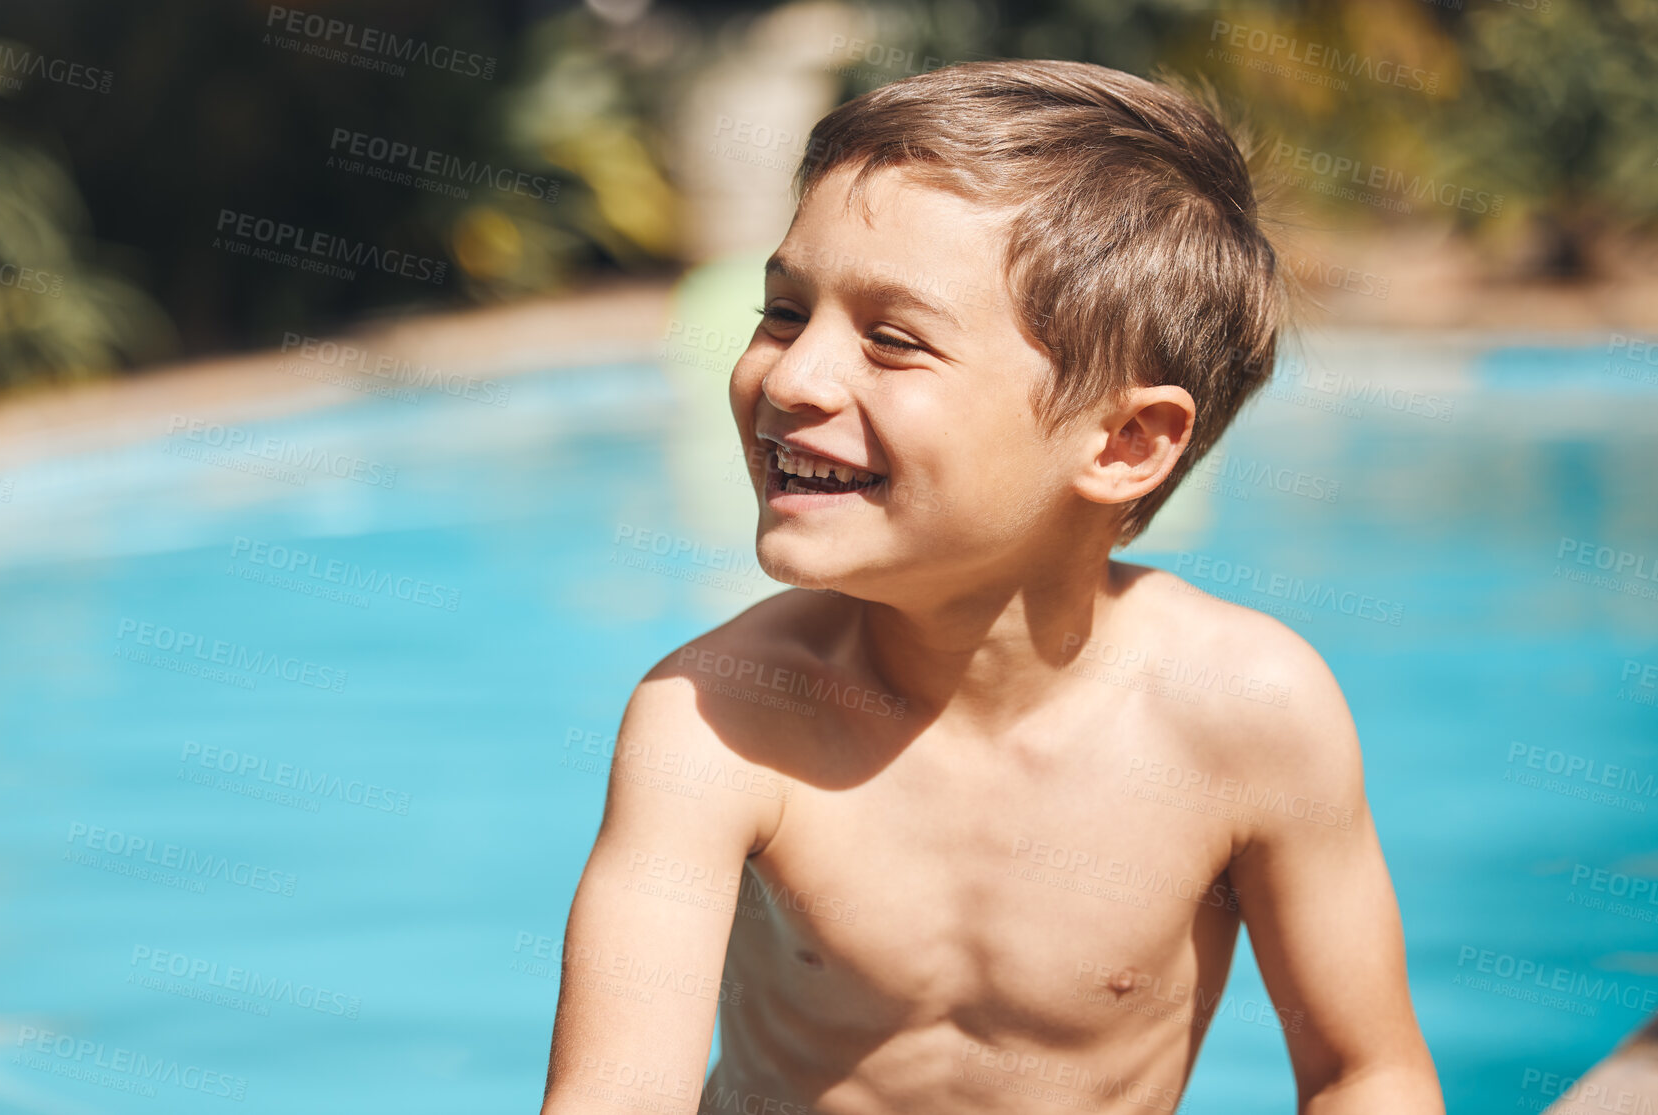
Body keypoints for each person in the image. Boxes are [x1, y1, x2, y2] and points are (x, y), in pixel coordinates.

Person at [540, 59, 1444, 1114]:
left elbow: (1361, 1072)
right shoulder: (717, 717)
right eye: (783, 312)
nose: (790, 378)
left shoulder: (1245, 713)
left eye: (891, 340)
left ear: (1122, 441)